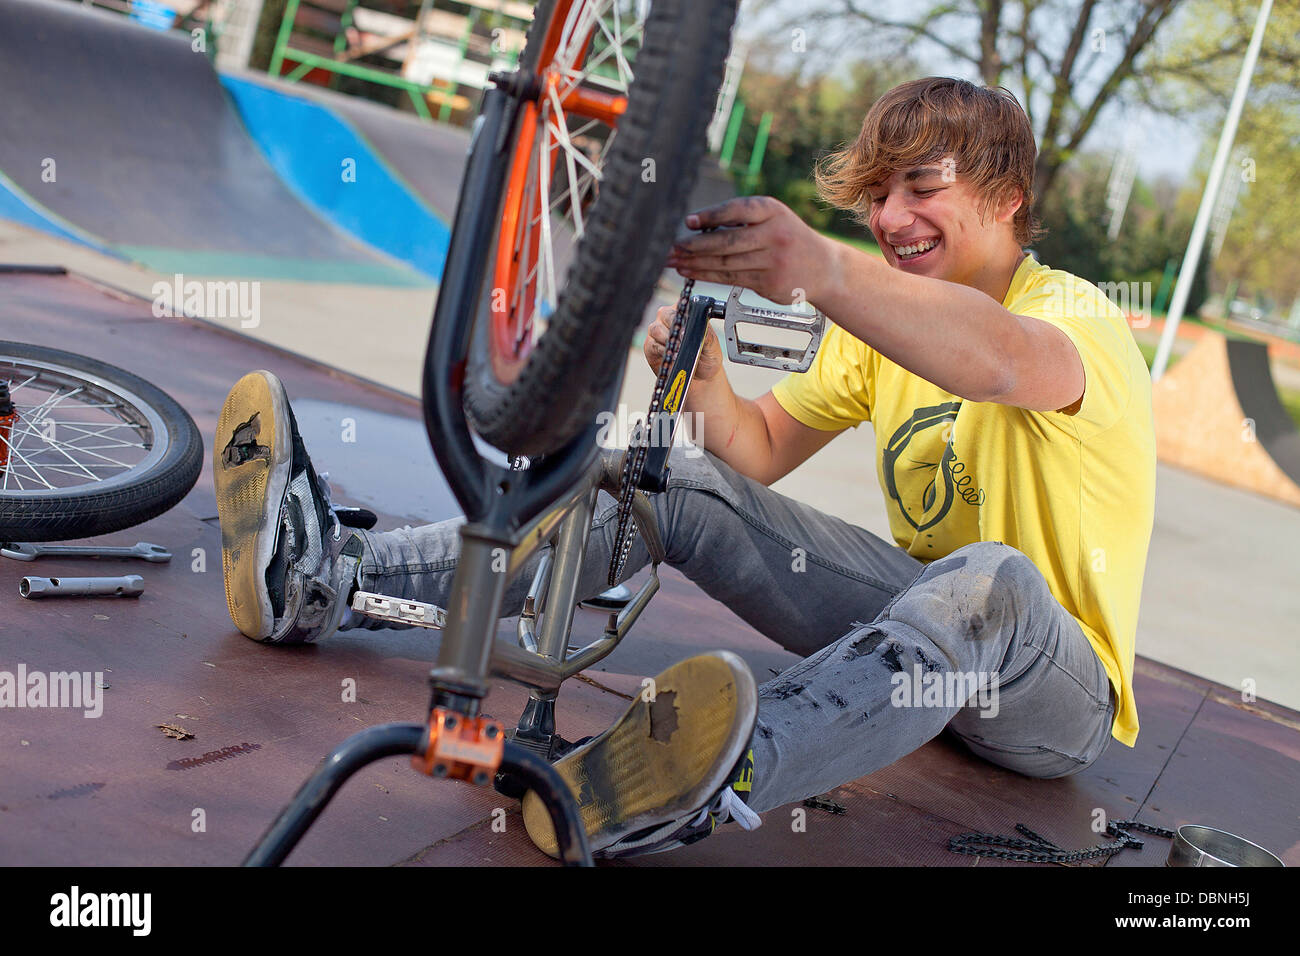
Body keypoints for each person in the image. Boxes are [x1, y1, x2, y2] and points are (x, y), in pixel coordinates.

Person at [213, 76, 1155, 860]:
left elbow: (994, 359)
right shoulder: (882, 331)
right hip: (914, 639)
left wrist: (823, 269)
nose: (889, 216)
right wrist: (708, 389)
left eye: (920, 187)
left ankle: (723, 766)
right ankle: (327, 576)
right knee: (665, 472)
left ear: (1008, 198)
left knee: (992, 579)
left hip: (1047, 689)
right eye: (876, 194)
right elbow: (756, 455)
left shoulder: (1079, 323)